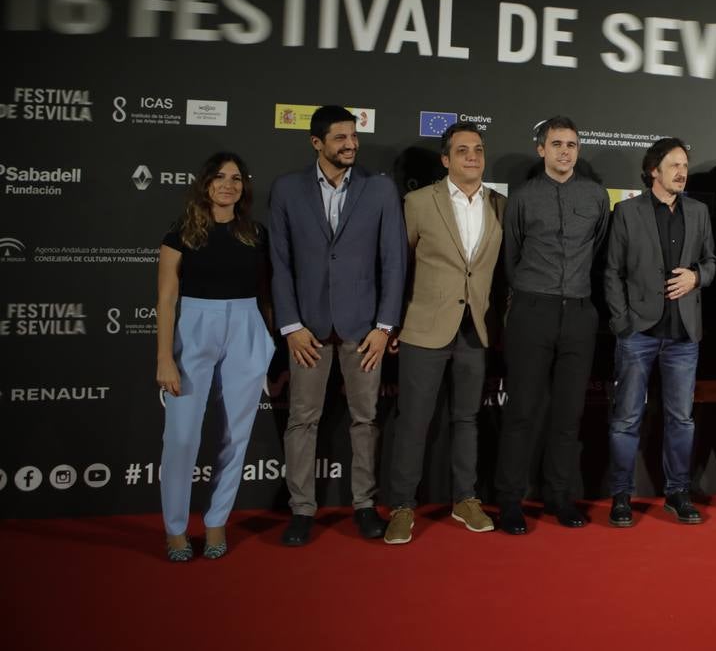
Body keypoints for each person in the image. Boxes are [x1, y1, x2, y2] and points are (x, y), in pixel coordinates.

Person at [270, 105, 407, 546]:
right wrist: (290, 325)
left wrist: (384, 325)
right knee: (301, 421)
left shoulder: (380, 189)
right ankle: (302, 510)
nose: (350, 145)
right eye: (339, 139)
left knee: (365, 420)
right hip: (307, 328)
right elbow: (280, 264)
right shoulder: (287, 190)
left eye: (353, 137)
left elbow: (394, 261)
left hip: (363, 327)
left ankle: (364, 505)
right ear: (317, 143)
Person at [384, 123, 506, 543]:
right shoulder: (418, 202)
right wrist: (393, 321)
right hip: (423, 327)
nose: (472, 157)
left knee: (467, 418)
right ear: (445, 159)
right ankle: (402, 505)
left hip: (476, 328)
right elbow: (397, 267)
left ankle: (465, 499)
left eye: (478, 149)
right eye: (462, 150)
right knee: (414, 421)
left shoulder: (499, 205)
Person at [495, 116, 610, 535]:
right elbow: (511, 257)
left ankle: (559, 496)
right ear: (541, 149)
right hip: (532, 309)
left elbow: (598, 251)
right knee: (522, 411)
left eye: (572, 144)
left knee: (568, 415)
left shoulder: (597, 197)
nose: (565, 151)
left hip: (579, 313)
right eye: (557, 143)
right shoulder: (523, 198)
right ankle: (510, 500)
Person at [155, 152, 274, 561]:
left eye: (237, 178)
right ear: (205, 183)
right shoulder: (180, 234)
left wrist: (267, 342)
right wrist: (164, 358)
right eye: (221, 177)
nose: (229, 184)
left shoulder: (256, 233)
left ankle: (217, 520)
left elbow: (267, 292)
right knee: (182, 436)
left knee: (235, 436)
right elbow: (167, 300)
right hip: (195, 328)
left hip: (245, 326)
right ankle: (175, 529)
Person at [604, 138, 716, 527]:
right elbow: (612, 273)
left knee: (681, 419)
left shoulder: (699, 212)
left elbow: (712, 262)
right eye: (673, 165)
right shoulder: (627, 212)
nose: (682, 172)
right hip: (638, 333)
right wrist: (623, 324)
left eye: (685, 164)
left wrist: (697, 277)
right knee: (626, 418)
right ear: (654, 170)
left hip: (684, 334)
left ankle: (677, 492)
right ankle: (621, 495)